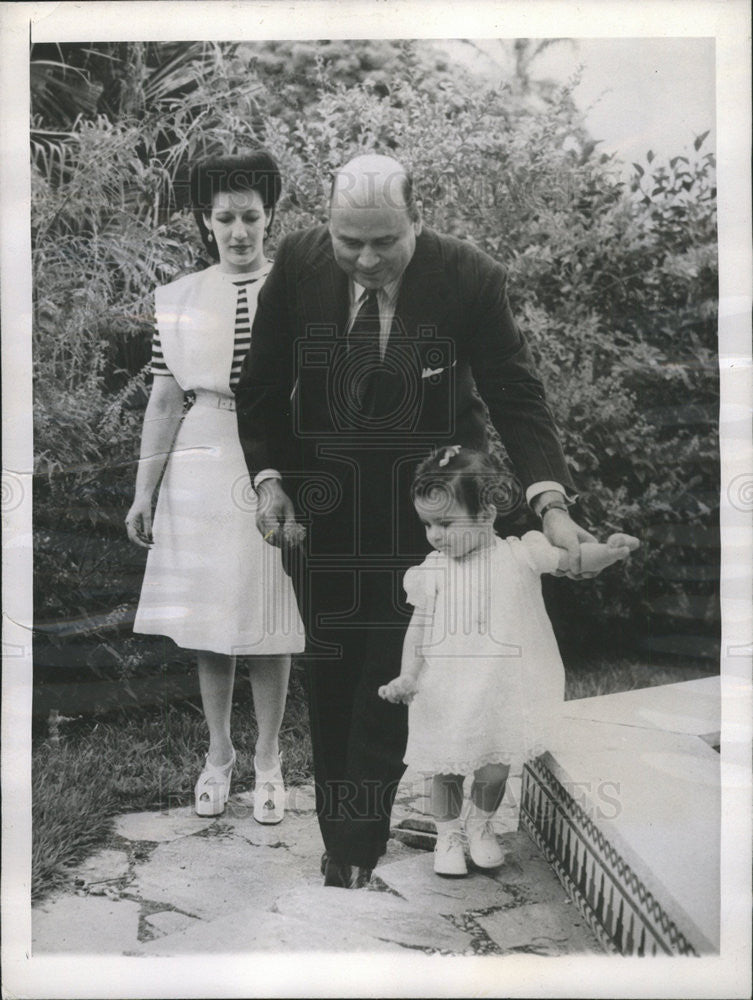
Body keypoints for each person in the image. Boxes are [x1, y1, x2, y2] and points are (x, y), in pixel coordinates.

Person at [235, 152, 616, 887]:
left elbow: (515, 395)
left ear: (418, 221)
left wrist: (552, 504)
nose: (367, 259)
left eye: (385, 241)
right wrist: (270, 481)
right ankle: (352, 828)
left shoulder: (468, 277)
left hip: (435, 512)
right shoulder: (298, 262)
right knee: (334, 668)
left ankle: (350, 847)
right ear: (327, 225)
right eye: (351, 242)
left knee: (389, 666)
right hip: (323, 512)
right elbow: (258, 383)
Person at [126, 150, 304, 824]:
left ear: (269, 218)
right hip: (199, 463)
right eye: (224, 218)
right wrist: (145, 491)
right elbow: (165, 402)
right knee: (207, 625)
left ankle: (267, 763)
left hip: (273, 466)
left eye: (250, 217)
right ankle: (218, 757)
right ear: (205, 220)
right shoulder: (177, 300)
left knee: (267, 619)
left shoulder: (294, 289)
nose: (238, 231)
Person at [378, 447, 638, 876]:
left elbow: (572, 560)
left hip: (500, 691)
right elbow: (418, 630)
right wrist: (408, 675)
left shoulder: (521, 555)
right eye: (427, 524)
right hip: (446, 690)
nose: (435, 535)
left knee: (494, 769)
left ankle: (480, 826)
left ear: (486, 514)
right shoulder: (432, 571)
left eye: (445, 523)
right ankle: (447, 836)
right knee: (445, 769)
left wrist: (609, 553)